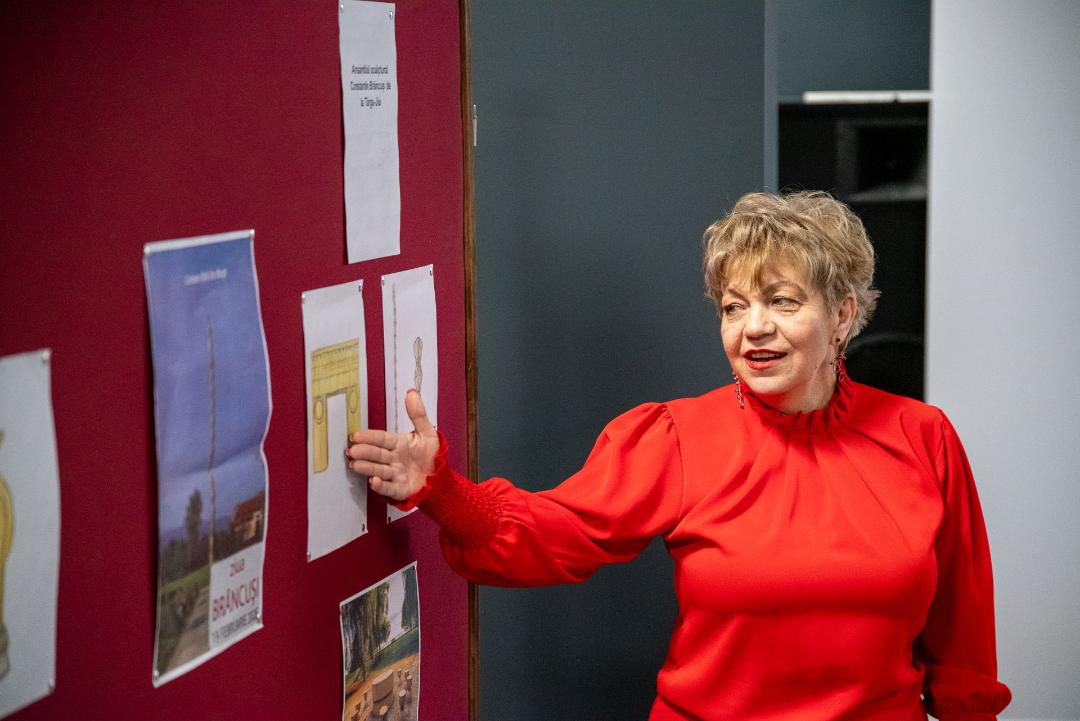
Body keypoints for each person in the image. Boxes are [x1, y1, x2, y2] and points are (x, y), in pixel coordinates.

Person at [346, 191, 1012, 720]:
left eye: (782, 302)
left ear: (841, 315)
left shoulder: (921, 436)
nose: (754, 327)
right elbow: (557, 532)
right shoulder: (677, 437)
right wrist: (442, 490)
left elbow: (963, 630)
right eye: (734, 307)